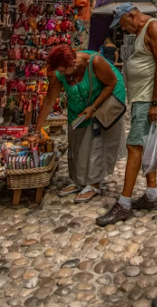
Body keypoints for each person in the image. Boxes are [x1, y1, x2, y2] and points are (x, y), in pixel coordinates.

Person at [96, 3, 157, 226]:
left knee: (134, 146)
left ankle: (124, 204)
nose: (122, 29)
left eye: (122, 24)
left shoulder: (154, 27)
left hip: (148, 97)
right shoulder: (142, 31)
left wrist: (155, 102)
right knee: (145, 143)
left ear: (131, 15)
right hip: (142, 96)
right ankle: (151, 196)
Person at [31, 44, 126, 204]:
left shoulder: (95, 62)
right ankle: (79, 180)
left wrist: (94, 107)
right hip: (80, 105)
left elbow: (111, 83)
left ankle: (93, 183)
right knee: (76, 141)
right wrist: (36, 131)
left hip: (104, 100)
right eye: (59, 71)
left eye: (63, 70)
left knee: (95, 143)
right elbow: (48, 101)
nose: (61, 74)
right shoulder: (59, 74)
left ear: (73, 63)